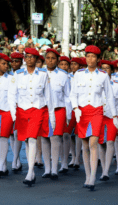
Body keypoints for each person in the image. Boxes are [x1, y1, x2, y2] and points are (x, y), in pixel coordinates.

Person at [70, 45, 118, 191]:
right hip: (82, 111)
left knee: (93, 143)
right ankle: (87, 175)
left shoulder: (103, 75)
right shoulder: (78, 74)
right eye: (88, 56)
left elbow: (109, 96)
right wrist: (75, 108)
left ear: (98, 59)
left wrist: (115, 115)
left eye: (93, 56)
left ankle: (92, 177)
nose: (90, 59)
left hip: (97, 110)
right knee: (84, 145)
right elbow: (73, 94)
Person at [8, 47, 55, 187]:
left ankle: (30, 171)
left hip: (38, 109)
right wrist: (13, 113)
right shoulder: (17, 74)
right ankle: (31, 171)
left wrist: (51, 116)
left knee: (33, 138)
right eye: (27, 57)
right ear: (24, 59)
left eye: (32, 57)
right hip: (22, 110)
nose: (29, 59)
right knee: (27, 141)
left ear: (36, 59)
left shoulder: (43, 74)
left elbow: (48, 96)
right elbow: (11, 95)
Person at [40, 49, 71, 179]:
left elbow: (68, 96)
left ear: (57, 61)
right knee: (44, 138)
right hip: (43, 110)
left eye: (53, 58)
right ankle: (47, 169)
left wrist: (68, 115)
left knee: (55, 138)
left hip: (58, 109)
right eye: (48, 58)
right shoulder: (39, 74)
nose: (50, 60)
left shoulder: (64, 75)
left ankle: (54, 169)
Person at [98, 60, 118, 181]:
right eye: (102, 68)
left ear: (112, 71)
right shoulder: (96, 84)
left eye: (107, 68)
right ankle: (103, 168)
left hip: (113, 116)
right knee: (100, 143)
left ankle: (106, 171)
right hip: (98, 116)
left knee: (110, 142)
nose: (104, 70)